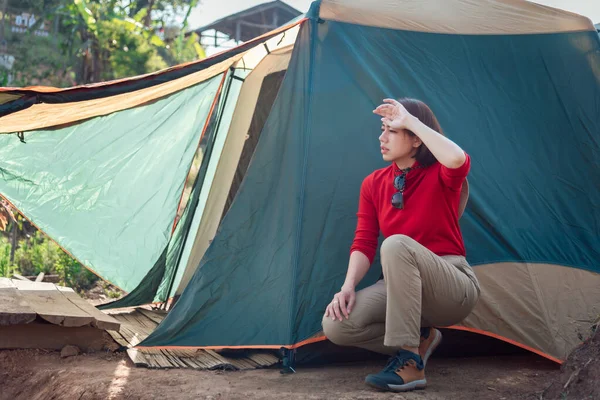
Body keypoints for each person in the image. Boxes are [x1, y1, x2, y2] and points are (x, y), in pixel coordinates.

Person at [322, 98, 481, 392]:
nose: (381, 138)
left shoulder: (442, 173)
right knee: (336, 325)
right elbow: (364, 242)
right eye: (382, 129)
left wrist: (411, 121)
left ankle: (409, 363)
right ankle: (421, 341)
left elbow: (459, 159)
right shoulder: (374, 183)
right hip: (399, 288)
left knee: (395, 245)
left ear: (416, 139)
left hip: (451, 282)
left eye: (392, 131)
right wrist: (347, 287)